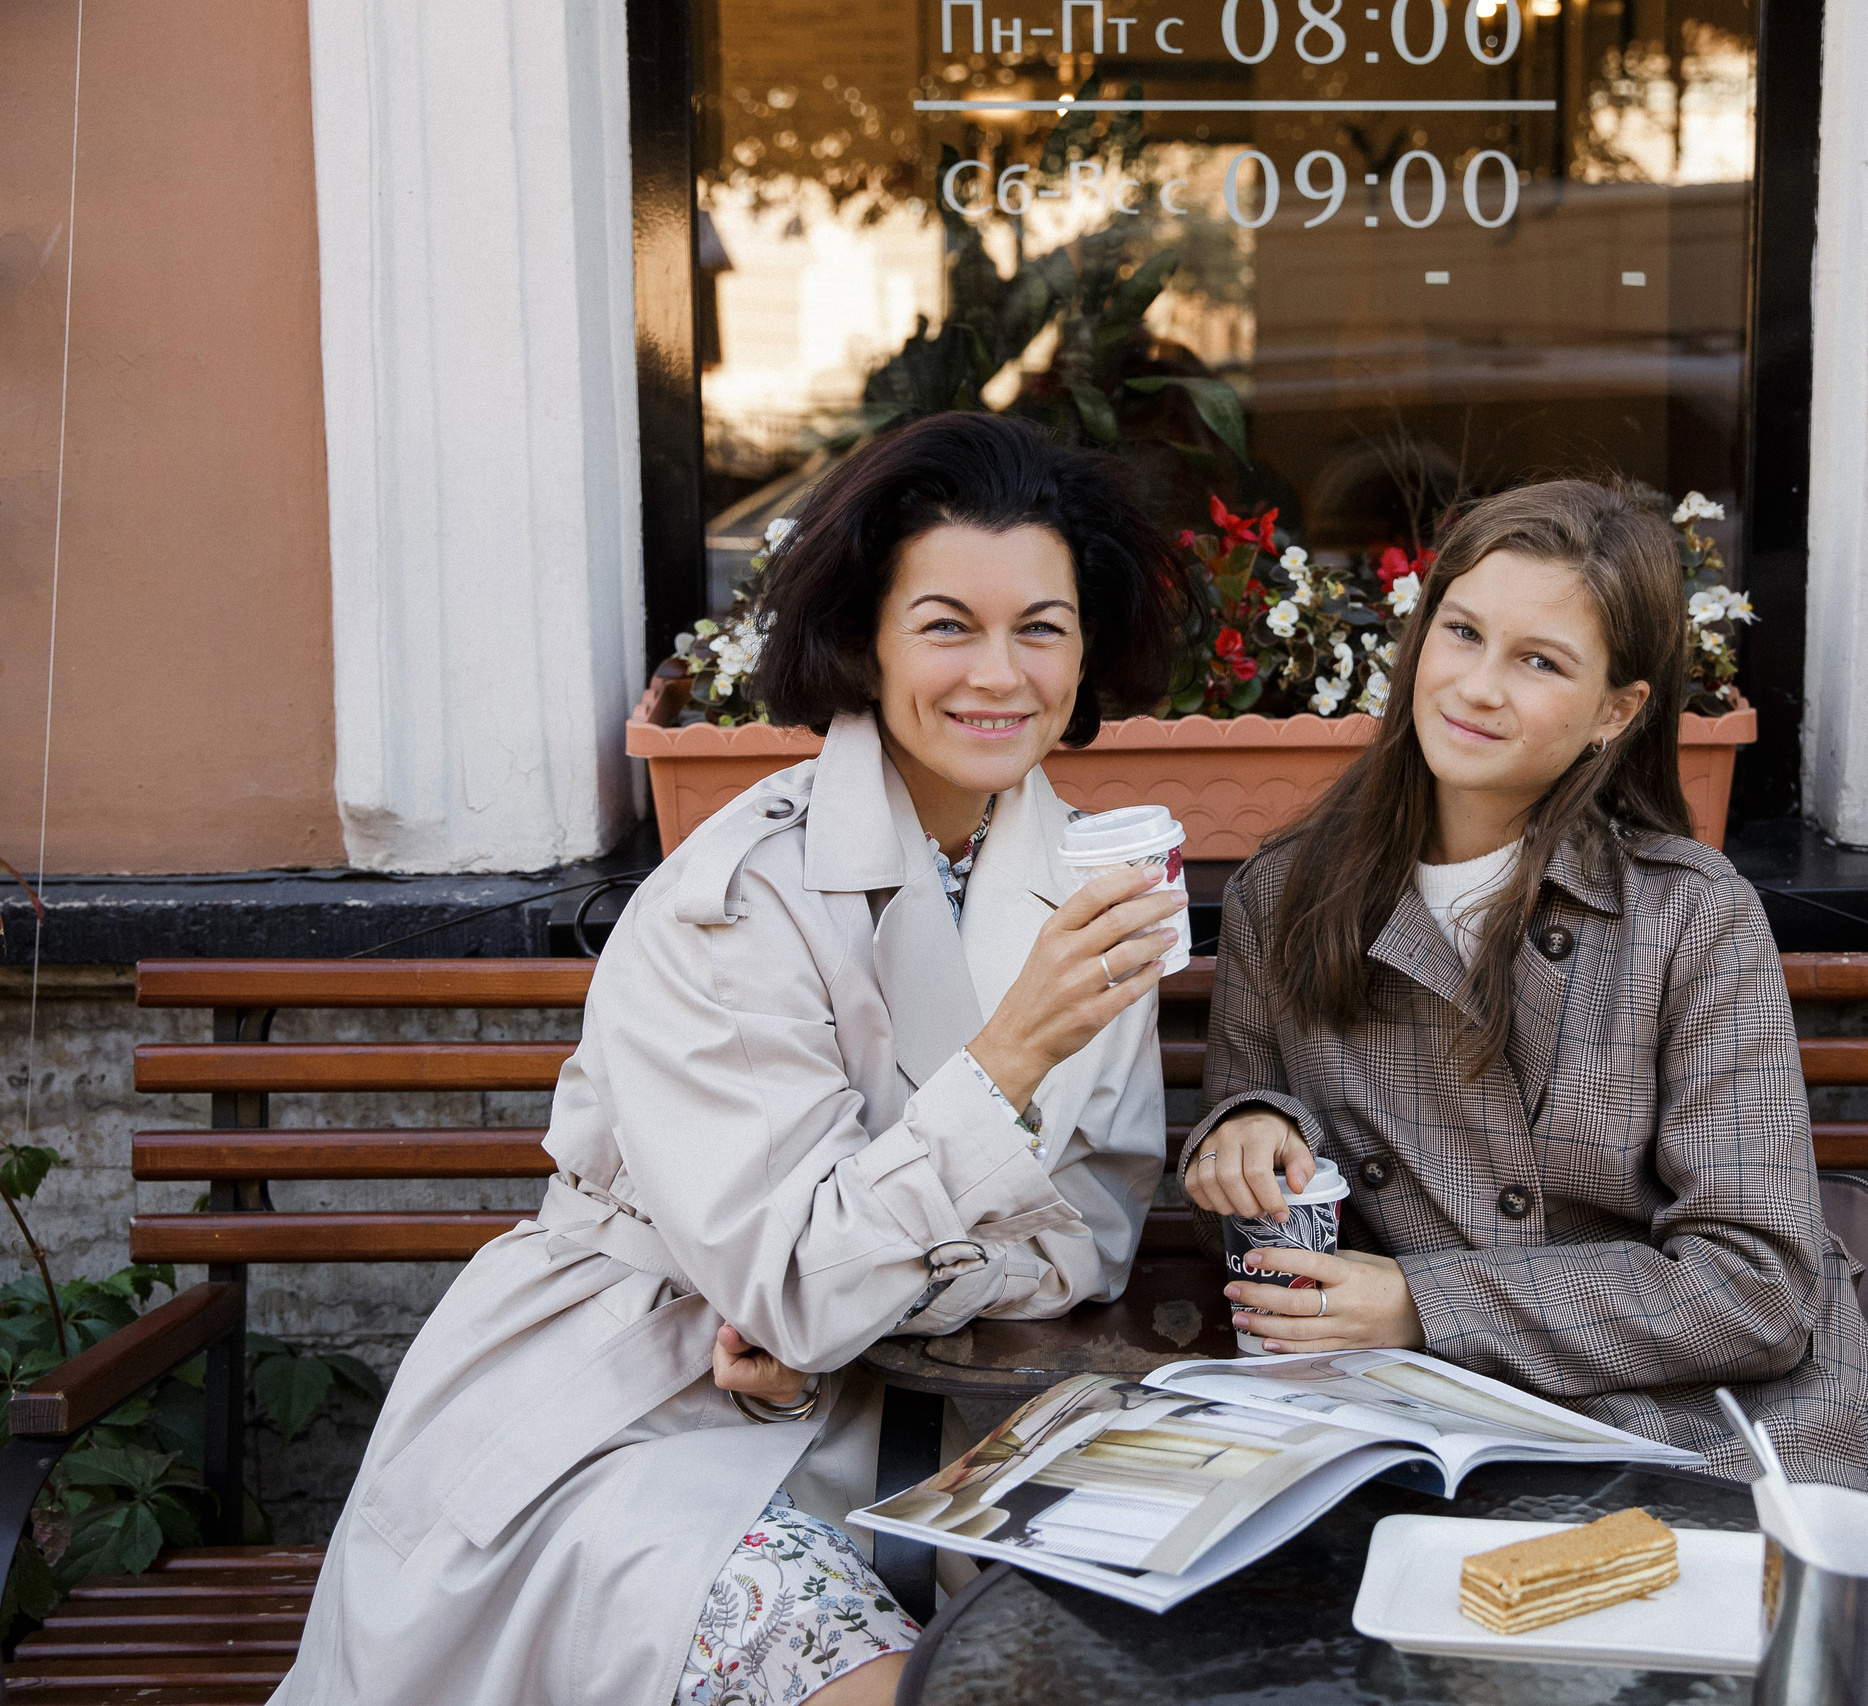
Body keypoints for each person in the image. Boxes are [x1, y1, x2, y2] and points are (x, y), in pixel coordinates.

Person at [275, 413, 1195, 1706]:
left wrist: (864, 1294)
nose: (999, 673)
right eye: (947, 625)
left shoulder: (1089, 882)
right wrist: (1007, 1061)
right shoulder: (734, 901)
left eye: (1040, 627)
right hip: (648, 1410)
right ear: (865, 639)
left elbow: (1087, 1233)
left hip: (948, 1412)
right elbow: (799, 1285)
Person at [1179, 479, 1868, 1495]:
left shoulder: (1690, 915)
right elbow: (1259, 1221)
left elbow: (1757, 1286)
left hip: (1709, 1438)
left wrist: (1424, 1303)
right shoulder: (1287, 895)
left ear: (1616, 710)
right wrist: (1250, 1135)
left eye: (1539, 661)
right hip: (1432, 1438)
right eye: (1462, 632)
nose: (1477, 687)